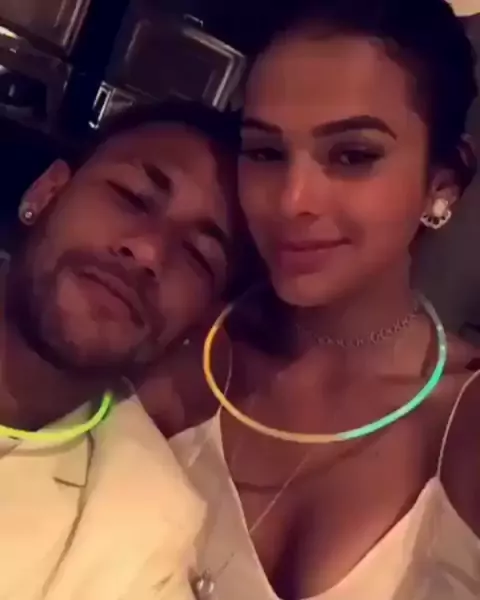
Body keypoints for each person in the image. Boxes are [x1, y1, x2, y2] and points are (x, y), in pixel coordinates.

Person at [170, 1, 480, 599]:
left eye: (353, 155)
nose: (292, 201)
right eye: (265, 152)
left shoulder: (464, 427)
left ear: (441, 184)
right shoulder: (184, 353)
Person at [0, 99, 238, 599]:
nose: (149, 252)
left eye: (198, 255)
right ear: (46, 192)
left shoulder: (138, 532)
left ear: (199, 322)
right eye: (132, 197)